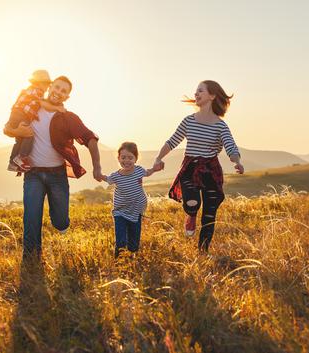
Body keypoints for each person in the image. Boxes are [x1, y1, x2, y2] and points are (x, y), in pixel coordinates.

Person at [3, 75, 103, 262]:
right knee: (31, 218)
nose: (59, 92)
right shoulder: (32, 107)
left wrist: (97, 167)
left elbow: (90, 138)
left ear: (66, 97)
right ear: (50, 88)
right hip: (33, 174)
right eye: (57, 87)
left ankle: (59, 221)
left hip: (57, 176)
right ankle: (31, 261)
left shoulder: (67, 117)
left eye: (64, 91)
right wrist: (18, 132)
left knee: (60, 220)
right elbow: (7, 128)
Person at [152, 80, 244, 252]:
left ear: (212, 96)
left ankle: (203, 252)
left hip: (211, 170)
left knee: (209, 214)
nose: (195, 94)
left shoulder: (220, 125)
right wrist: (158, 158)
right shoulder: (189, 121)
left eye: (200, 91)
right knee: (193, 202)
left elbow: (230, 146)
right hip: (190, 168)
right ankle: (191, 214)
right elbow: (172, 141)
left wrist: (237, 161)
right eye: (195, 91)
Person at [100, 142, 162, 258]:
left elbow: (148, 172)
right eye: (123, 157)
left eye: (130, 158)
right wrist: (99, 175)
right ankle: (119, 261)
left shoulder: (139, 171)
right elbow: (107, 179)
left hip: (136, 211)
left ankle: (131, 260)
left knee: (134, 242)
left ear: (136, 159)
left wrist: (155, 168)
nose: (126, 161)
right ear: (118, 158)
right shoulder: (116, 176)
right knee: (121, 240)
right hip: (120, 212)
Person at [6, 70, 67, 172]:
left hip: (16, 114)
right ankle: (21, 157)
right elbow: (42, 104)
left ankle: (12, 163)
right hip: (20, 115)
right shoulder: (37, 91)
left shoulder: (29, 91)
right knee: (29, 134)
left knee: (20, 140)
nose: (47, 87)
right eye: (46, 84)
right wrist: (57, 108)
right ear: (39, 83)